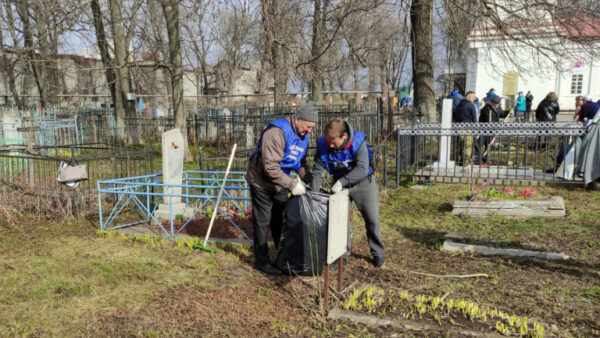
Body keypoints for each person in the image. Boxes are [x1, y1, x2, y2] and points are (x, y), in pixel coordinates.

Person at [245, 101, 318, 275]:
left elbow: (299, 162)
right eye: (308, 126)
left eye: (312, 128)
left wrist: (308, 179)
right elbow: (270, 167)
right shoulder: (276, 132)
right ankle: (261, 261)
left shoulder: (304, 135)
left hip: (280, 181)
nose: (309, 131)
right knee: (263, 221)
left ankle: (283, 255)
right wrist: (292, 185)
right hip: (261, 180)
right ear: (298, 119)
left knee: (281, 219)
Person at [311, 119, 385, 268]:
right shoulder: (323, 144)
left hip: (363, 183)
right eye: (328, 142)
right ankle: (341, 254)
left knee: (372, 219)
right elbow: (317, 171)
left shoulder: (358, 142)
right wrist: (313, 193)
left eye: (334, 142)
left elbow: (362, 168)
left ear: (344, 136)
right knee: (339, 221)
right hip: (340, 185)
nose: (330, 146)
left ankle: (377, 253)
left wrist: (341, 182)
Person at [477, 95, 508, 163]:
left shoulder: (498, 108)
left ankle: (486, 159)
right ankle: (478, 159)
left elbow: (502, 114)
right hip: (484, 130)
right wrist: (496, 125)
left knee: (489, 145)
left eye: (498, 103)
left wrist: (508, 112)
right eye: (497, 103)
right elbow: (488, 120)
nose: (498, 105)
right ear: (492, 102)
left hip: (492, 131)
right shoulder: (486, 108)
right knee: (480, 144)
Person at [453, 91, 479, 165]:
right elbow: (474, 119)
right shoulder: (471, 105)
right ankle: (465, 163)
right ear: (470, 97)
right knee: (467, 147)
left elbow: (455, 115)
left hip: (458, 128)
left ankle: (458, 162)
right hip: (467, 128)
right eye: (474, 97)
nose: (474, 99)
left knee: (459, 146)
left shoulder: (459, 105)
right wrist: (475, 131)